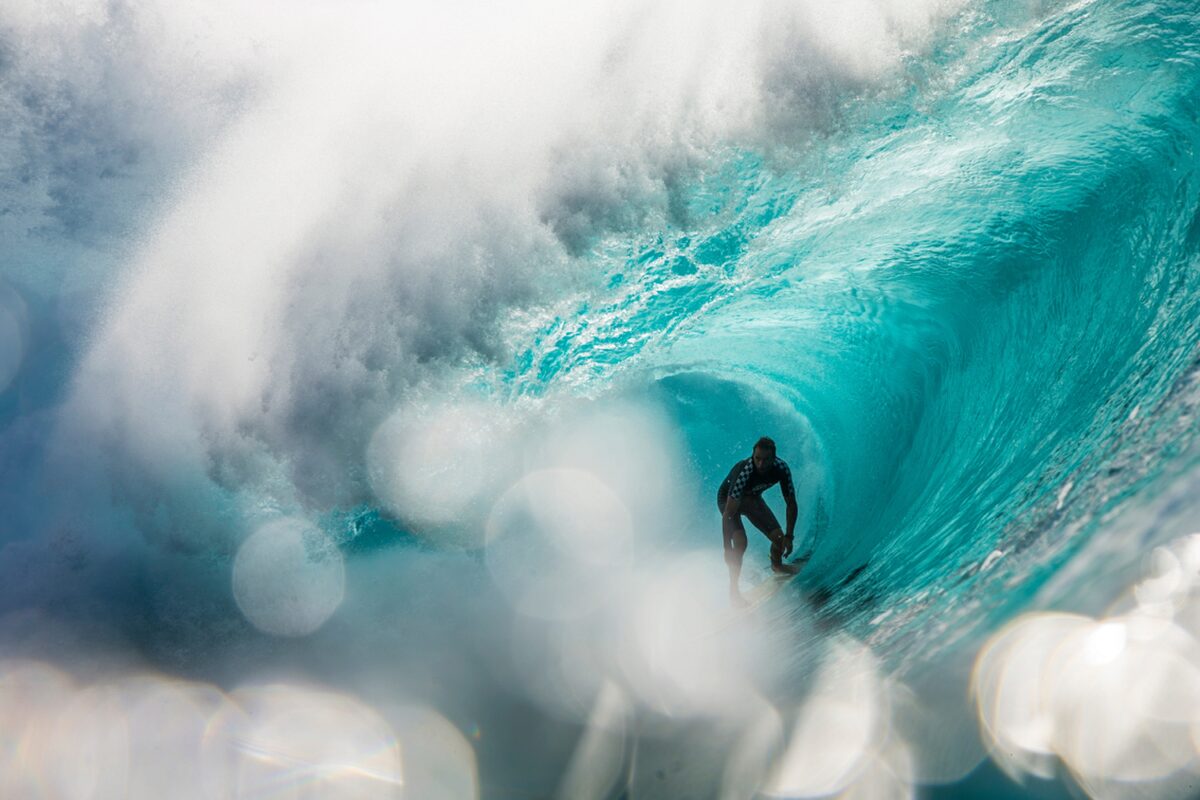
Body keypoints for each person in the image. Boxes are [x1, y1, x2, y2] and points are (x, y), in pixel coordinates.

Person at [718, 436, 799, 606]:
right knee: (740, 544)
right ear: (753, 456)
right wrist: (727, 548)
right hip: (728, 502)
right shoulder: (744, 472)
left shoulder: (781, 468)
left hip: (752, 499)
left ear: (774, 458)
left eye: (766, 460)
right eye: (757, 459)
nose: (761, 464)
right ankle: (734, 591)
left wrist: (789, 536)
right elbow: (728, 514)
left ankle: (777, 566)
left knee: (778, 538)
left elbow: (791, 503)